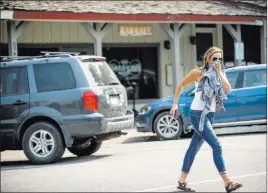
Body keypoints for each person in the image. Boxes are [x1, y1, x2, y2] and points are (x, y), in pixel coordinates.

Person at [170, 47, 243, 193]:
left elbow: (228, 90)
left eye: (220, 59)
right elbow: (181, 84)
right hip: (197, 115)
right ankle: (227, 182)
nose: (217, 61)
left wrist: (218, 73)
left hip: (209, 115)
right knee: (217, 146)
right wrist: (175, 104)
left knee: (193, 149)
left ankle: (182, 180)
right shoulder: (199, 72)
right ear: (208, 59)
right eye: (214, 58)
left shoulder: (221, 73)